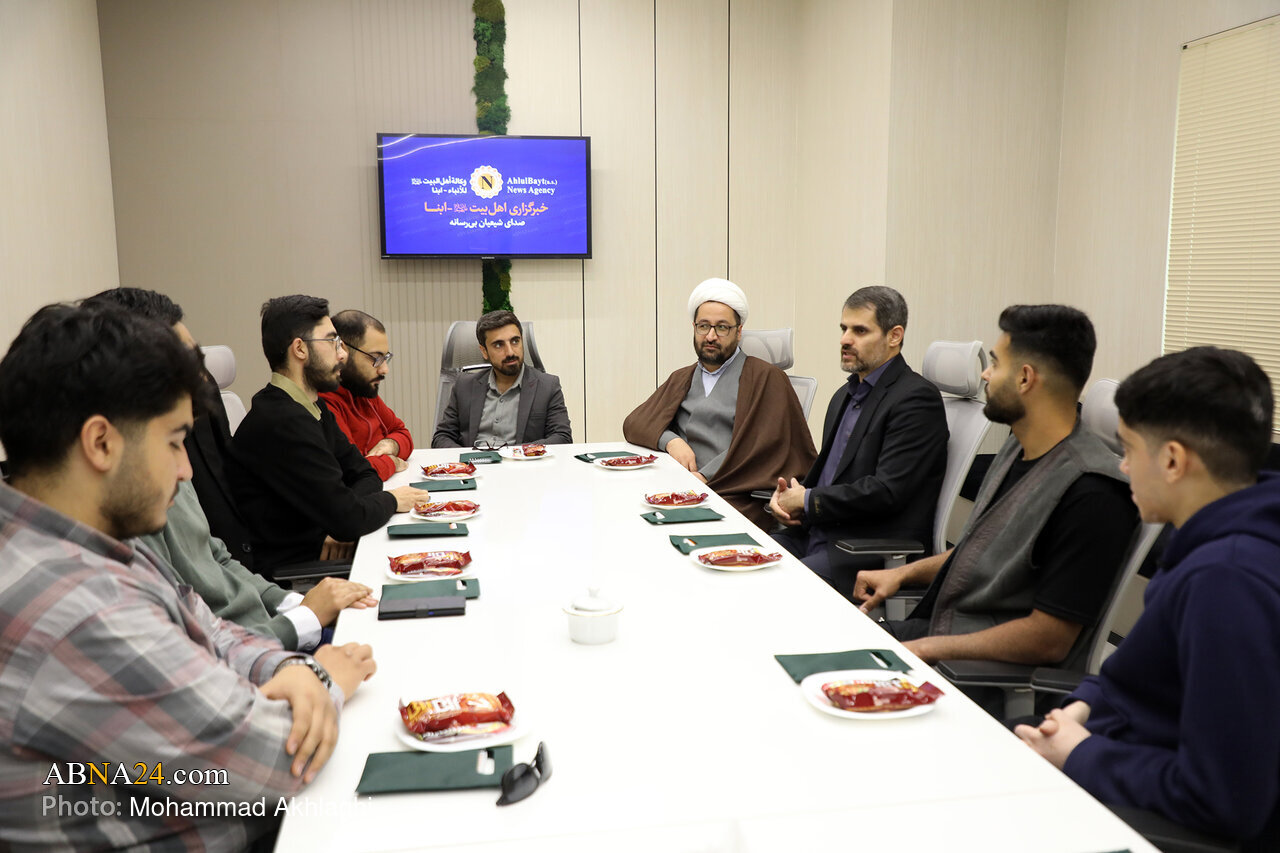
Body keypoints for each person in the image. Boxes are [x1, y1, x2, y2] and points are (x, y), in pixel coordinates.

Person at [0, 303, 377, 849]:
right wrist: (325, 679)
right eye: (174, 441)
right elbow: (271, 760)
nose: (185, 469)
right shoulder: (75, 606)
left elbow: (210, 628)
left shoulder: (89, 540)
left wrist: (290, 668)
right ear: (101, 443)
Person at [1017, 347, 1280, 851]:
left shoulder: (1227, 581)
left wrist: (1080, 753)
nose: (1122, 464)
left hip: (1137, 812)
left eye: (1129, 449)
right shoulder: (1213, 537)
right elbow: (1138, 676)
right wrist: (1081, 709)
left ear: (1173, 460)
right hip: (1109, 749)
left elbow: (1224, 798)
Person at [82, 288, 377, 650]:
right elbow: (201, 646)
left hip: (269, 622)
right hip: (263, 640)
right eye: (187, 361)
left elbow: (216, 556)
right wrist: (305, 618)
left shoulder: (169, 467)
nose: (202, 377)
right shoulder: (124, 514)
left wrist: (297, 604)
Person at [854, 305, 1137, 669]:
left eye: (995, 363)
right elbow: (982, 552)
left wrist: (927, 648)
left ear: (1025, 378)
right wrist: (901, 573)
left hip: (977, 674)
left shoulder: (1093, 492)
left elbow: (1048, 640)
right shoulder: (1019, 446)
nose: (985, 374)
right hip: (942, 636)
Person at [770, 287, 948, 598]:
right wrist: (788, 501)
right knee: (739, 564)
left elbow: (886, 492)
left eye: (860, 330)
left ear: (894, 336)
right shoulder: (844, 395)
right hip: (815, 535)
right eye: (844, 329)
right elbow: (831, 478)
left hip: (864, 550)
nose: (845, 339)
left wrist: (808, 500)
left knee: (773, 590)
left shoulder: (916, 399)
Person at [229, 295, 429, 572]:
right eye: (332, 341)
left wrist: (349, 514)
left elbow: (364, 474)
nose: (342, 354)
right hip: (296, 571)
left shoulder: (312, 406)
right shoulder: (282, 422)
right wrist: (392, 500)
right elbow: (348, 517)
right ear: (300, 349)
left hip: (324, 551)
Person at [622, 278, 816, 529]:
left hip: (733, 494)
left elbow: (764, 445)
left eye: (722, 327)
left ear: (739, 331)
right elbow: (636, 422)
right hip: (679, 486)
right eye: (703, 326)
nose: (711, 336)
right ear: (694, 328)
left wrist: (705, 476)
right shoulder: (682, 377)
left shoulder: (766, 377)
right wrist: (672, 441)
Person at [431, 309, 573, 448]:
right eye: (499, 345)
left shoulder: (547, 386)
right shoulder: (464, 386)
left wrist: (515, 453)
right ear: (484, 351)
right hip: (475, 462)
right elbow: (441, 437)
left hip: (521, 462)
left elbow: (562, 437)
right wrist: (467, 458)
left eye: (515, 341)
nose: (510, 352)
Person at [320, 309, 413, 480]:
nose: (384, 369)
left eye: (385, 358)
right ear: (341, 351)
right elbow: (352, 472)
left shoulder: (362, 391)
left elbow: (402, 433)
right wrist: (392, 462)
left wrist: (390, 444)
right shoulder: (324, 402)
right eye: (375, 358)